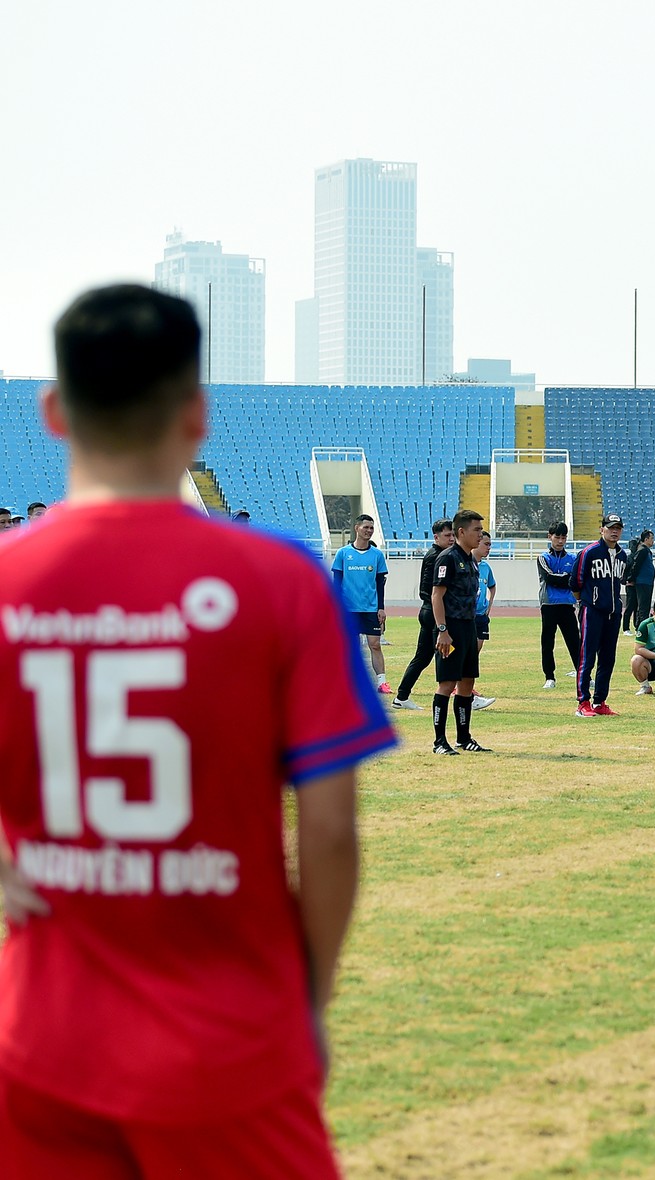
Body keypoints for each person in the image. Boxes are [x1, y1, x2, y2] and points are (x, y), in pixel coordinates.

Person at [0, 284, 392, 1174]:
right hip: (227, 1041)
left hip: (39, 1044)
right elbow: (330, 831)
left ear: (53, 413)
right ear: (197, 413)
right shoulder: (280, 579)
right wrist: (313, 1000)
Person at [428, 510, 489, 754]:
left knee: (467, 682)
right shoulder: (448, 558)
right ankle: (439, 741)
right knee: (447, 683)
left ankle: (463, 738)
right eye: (476, 530)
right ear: (461, 532)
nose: (480, 534)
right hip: (449, 628)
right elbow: (436, 596)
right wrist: (442, 630)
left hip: (467, 626)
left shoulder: (472, 561)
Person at [391, 518, 456, 709]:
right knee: (448, 653)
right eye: (447, 535)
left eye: (453, 534)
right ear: (436, 537)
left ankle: (401, 697)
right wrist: (441, 607)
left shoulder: (442, 554)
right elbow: (426, 589)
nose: (451, 538)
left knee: (423, 657)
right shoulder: (436, 557)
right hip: (434, 613)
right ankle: (464, 693)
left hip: (430, 612)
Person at [573, 514, 628, 717]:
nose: (614, 531)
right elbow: (575, 582)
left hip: (613, 614)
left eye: (618, 528)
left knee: (607, 659)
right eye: (611, 527)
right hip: (592, 611)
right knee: (587, 657)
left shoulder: (623, 555)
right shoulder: (589, 552)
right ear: (602, 529)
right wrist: (587, 602)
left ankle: (600, 701)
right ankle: (582, 702)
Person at [330, 512, 390, 695]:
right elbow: (337, 582)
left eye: (371, 528)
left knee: (375, 644)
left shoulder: (377, 555)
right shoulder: (343, 553)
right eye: (366, 527)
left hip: (370, 608)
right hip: (348, 609)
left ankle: (382, 682)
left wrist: (381, 607)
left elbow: (380, 583)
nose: (369, 531)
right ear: (357, 528)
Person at [536, 522, 580, 689]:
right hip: (549, 605)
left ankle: (583, 675)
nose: (560, 541)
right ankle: (549, 677)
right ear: (550, 537)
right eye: (557, 537)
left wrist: (564, 579)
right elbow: (549, 578)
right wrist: (566, 579)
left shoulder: (573, 558)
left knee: (574, 642)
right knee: (548, 642)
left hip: (567, 605)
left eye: (563, 537)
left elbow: (574, 579)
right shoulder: (543, 558)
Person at [467, 531, 497, 710]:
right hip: (466, 617)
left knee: (475, 652)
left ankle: (467, 686)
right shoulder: (465, 563)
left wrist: (489, 605)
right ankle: (463, 689)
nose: (488, 548)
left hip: (481, 616)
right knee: (466, 653)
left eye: (489, 544)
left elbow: (492, 587)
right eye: (486, 544)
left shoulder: (486, 568)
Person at [622, 529, 655, 632]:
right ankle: (642, 628)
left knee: (643, 606)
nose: (653, 541)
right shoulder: (642, 550)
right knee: (643, 607)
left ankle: (639, 627)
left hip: (647, 582)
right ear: (646, 539)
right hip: (643, 582)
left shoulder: (646, 550)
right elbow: (635, 565)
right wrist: (630, 579)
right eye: (652, 538)